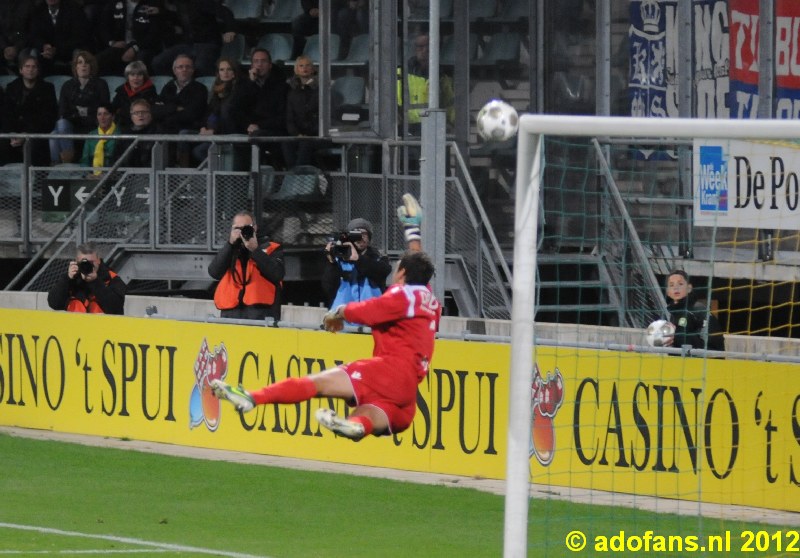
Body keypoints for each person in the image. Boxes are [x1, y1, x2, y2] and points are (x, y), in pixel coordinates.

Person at [211, 193, 440, 442]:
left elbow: (367, 310)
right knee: (369, 414)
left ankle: (253, 398)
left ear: (402, 274)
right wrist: (412, 230)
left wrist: (339, 313)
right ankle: (356, 425)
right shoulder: (431, 300)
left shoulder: (400, 296)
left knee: (315, 384)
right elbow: (417, 263)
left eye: (398, 270)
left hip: (385, 371)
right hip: (406, 396)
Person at [208, 211, 285, 322]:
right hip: (231, 316)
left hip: (261, 316)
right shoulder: (230, 249)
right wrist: (230, 244)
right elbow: (214, 272)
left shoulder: (271, 247)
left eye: (246, 228)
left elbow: (277, 274)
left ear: (255, 228)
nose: (242, 231)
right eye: (237, 228)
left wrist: (255, 250)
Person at [49, 50, 110, 165]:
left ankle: (65, 164)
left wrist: (83, 113)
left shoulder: (101, 84)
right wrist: (79, 113)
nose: (83, 65)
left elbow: (104, 109)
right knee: (57, 130)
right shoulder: (67, 85)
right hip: (72, 124)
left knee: (55, 135)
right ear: (75, 67)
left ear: (91, 66)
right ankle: (60, 166)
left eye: (87, 63)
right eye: (80, 62)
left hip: (93, 124)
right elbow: (62, 112)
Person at [192, 57, 254, 165]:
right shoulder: (217, 90)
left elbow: (231, 116)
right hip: (213, 133)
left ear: (234, 72)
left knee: (200, 151)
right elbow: (209, 113)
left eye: (229, 69)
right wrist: (203, 127)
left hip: (227, 135)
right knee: (185, 136)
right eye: (222, 69)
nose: (225, 72)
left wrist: (214, 132)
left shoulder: (240, 89)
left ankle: (218, 173)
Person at [151, 0, 237, 77]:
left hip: (207, 43)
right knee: (158, 63)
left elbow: (226, 12)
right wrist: (160, 12)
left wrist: (230, 30)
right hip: (187, 45)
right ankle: (178, 85)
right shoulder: (178, 3)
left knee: (200, 67)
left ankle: (203, 88)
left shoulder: (203, 2)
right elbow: (177, 17)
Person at [0, 53, 58, 166]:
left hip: (35, 133)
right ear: (21, 70)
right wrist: (11, 133)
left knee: (36, 146)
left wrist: (27, 134)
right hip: (14, 133)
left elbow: (48, 118)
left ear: (38, 70)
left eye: (33, 67)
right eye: (27, 66)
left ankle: (37, 183)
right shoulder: (12, 87)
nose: (30, 69)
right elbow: (5, 114)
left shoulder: (47, 88)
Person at [322, 217, 391, 310]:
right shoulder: (340, 258)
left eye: (364, 234)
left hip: (370, 314)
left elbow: (383, 271)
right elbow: (329, 288)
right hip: (344, 315)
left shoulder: (378, 257)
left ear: (369, 237)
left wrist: (358, 259)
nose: (360, 238)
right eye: (356, 234)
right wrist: (331, 262)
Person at [397, 32, 455, 136]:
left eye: (429, 46)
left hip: (435, 131)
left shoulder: (443, 78)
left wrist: (453, 124)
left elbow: (450, 107)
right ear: (414, 49)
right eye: (420, 46)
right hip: (406, 132)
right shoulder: (399, 75)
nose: (425, 50)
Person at [47, 241, 127, 314]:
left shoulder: (111, 278)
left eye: (91, 262)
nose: (88, 265)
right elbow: (54, 304)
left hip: (101, 327)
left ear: (98, 260)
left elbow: (116, 309)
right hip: (75, 326)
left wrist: (95, 282)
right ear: (77, 261)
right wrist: (67, 279)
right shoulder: (71, 279)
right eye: (84, 262)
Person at [95, 0, 170, 76]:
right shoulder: (114, 3)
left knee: (140, 61)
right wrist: (111, 42)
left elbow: (154, 34)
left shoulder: (153, 5)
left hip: (143, 46)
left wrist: (135, 48)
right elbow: (104, 27)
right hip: (120, 44)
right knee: (97, 61)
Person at [662, 269, 725, 352]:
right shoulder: (670, 313)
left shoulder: (698, 310)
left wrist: (676, 337)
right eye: (671, 285)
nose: (676, 288)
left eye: (680, 284)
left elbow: (710, 343)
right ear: (667, 292)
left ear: (689, 288)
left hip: (706, 360)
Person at [245, 48, 288, 169]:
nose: (259, 65)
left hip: (273, 130)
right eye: (256, 61)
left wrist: (259, 126)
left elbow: (282, 117)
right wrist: (251, 83)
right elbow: (238, 108)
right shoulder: (246, 85)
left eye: (263, 61)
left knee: (257, 138)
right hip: (249, 129)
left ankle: (255, 178)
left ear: (270, 65)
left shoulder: (281, 87)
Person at [27, 0, 92, 76]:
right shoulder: (38, 10)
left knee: (79, 54)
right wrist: (43, 46)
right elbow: (34, 35)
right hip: (46, 53)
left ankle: (78, 85)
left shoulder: (74, 9)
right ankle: (34, 86)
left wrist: (56, 49)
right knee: (33, 53)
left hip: (68, 50)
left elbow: (80, 37)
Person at [283, 55, 320, 168]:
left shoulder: (321, 89)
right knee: (285, 143)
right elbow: (289, 118)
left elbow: (324, 115)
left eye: (308, 65)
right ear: (296, 69)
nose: (305, 68)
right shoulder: (292, 92)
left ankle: (298, 177)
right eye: (301, 65)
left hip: (316, 134)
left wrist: (310, 133)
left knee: (306, 143)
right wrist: (297, 134)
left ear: (313, 68)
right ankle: (292, 174)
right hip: (298, 134)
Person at [111, 60, 160, 128]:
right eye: (132, 75)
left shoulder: (150, 92)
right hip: (122, 125)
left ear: (144, 77)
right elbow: (112, 109)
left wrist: (121, 112)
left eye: (139, 75)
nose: (135, 78)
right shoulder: (121, 91)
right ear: (128, 77)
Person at [117, 98, 161, 167]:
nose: (140, 115)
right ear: (131, 116)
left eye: (144, 112)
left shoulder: (158, 131)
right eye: (136, 113)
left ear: (150, 114)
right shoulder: (125, 133)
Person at [79, 102, 120, 174]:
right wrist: (86, 175)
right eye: (99, 114)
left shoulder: (120, 134)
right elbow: (85, 161)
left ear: (113, 117)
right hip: (92, 177)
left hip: (113, 176)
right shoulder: (91, 135)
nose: (102, 117)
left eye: (106, 114)